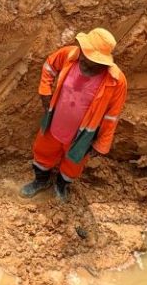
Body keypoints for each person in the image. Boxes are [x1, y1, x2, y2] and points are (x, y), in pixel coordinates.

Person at [22, 28, 128, 203]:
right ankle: (40, 181)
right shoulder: (70, 55)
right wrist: (45, 90)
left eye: (88, 54)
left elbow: (112, 115)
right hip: (56, 123)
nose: (83, 55)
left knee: (73, 164)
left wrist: (102, 143)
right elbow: (49, 66)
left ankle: (61, 186)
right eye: (84, 50)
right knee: (43, 152)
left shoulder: (116, 81)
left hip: (83, 134)